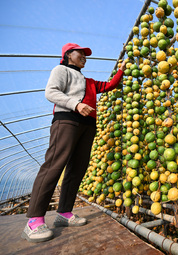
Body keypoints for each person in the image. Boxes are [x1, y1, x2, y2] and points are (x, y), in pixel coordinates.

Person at [21, 43, 125, 242]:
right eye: (81, 53)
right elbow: (51, 92)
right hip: (67, 120)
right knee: (54, 164)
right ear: (68, 55)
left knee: (78, 168)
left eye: (86, 55)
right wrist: (76, 104)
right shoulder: (61, 70)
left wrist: (121, 70)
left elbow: (110, 85)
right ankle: (34, 220)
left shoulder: (90, 82)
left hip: (88, 125)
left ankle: (64, 213)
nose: (85, 56)